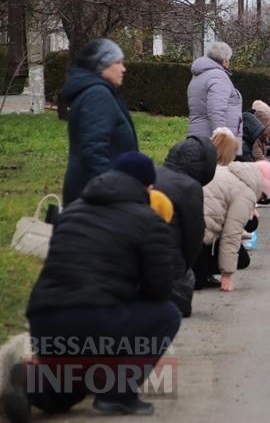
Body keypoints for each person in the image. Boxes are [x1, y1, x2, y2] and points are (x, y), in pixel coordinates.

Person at [8, 152, 178, 418]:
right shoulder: (148, 219)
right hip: (96, 320)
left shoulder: (72, 211)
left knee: (73, 386)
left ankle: (32, 388)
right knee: (167, 313)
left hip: (44, 321)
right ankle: (118, 393)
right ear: (147, 187)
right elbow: (159, 290)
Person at [197, 129, 270, 292]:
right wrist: (227, 275)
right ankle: (200, 273)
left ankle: (199, 272)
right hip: (199, 239)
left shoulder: (205, 169)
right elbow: (231, 233)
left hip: (183, 233)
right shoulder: (243, 189)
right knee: (242, 258)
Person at [60, 38, 137, 205]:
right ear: (101, 65)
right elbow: (94, 148)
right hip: (95, 197)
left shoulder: (97, 91)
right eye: (118, 62)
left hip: (95, 191)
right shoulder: (97, 95)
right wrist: (110, 190)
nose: (123, 69)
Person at [153, 136, 217, 317]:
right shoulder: (190, 187)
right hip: (170, 264)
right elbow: (194, 235)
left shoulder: (154, 174)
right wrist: (185, 266)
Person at [187, 41, 243, 157]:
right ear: (225, 60)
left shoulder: (199, 76)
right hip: (214, 141)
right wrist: (222, 143)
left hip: (199, 135)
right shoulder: (218, 76)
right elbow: (216, 111)